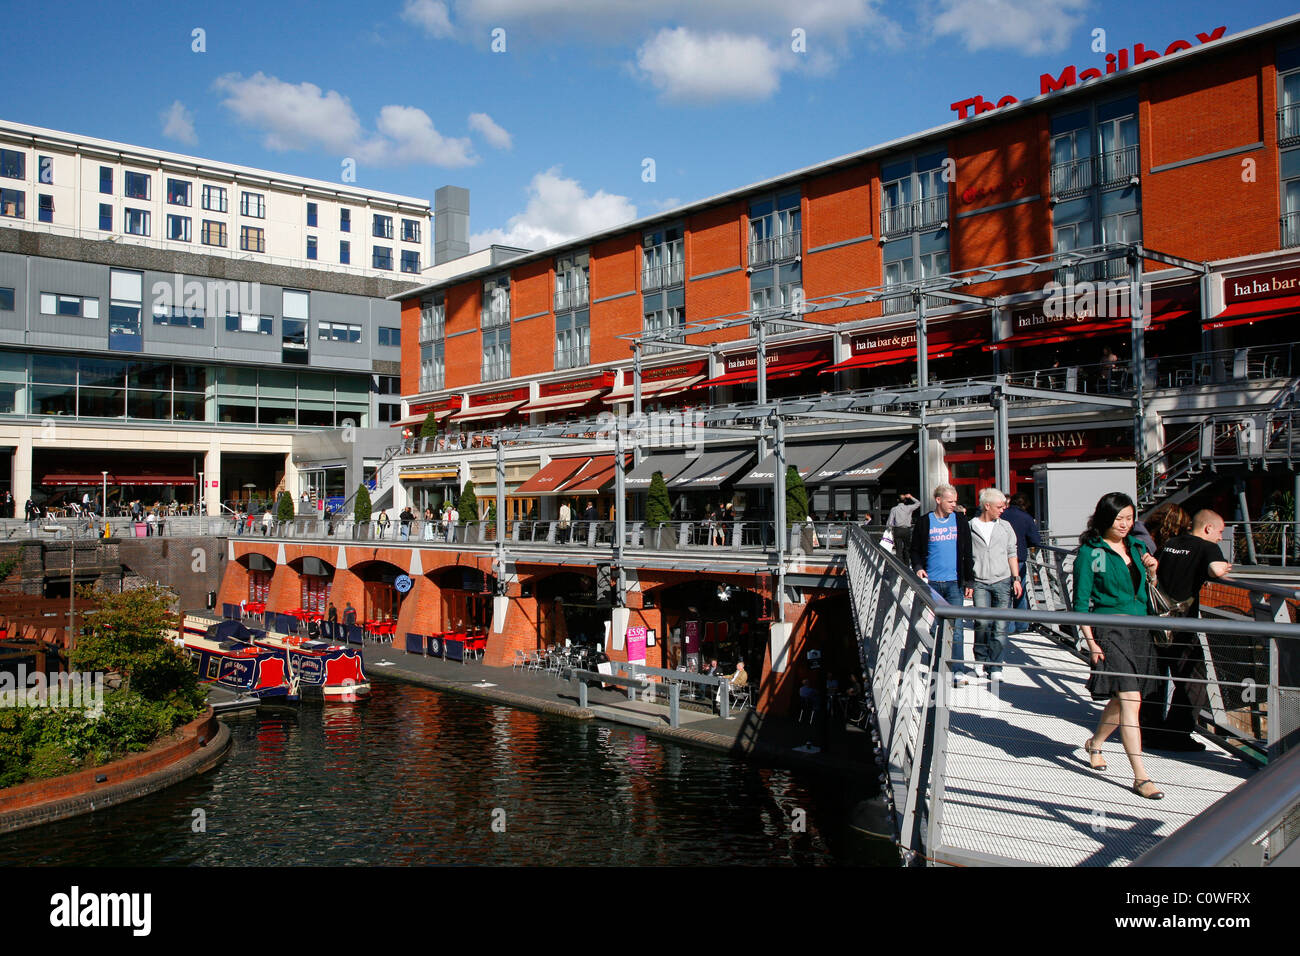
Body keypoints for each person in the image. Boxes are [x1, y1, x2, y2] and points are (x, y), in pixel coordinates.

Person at [1075, 491, 1164, 800]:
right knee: (1131, 701)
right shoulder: (1092, 552)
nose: (1126, 524)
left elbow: (1146, 590)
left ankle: (1095, 743)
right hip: (1109, 630)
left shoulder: (1137, 547)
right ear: (1105, 519)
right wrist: (1091, 642)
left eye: (1130, 518)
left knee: (1125, 699)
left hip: (1141, 628)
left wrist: (1151, 570)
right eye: (1119, 519)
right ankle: (1141, 776)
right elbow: (1080, 603)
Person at [1142, 509, 1232, 751]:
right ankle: (1177, 733)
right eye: (1220, 532)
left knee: (1156, 677)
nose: (1221, 537)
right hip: (1182, 625)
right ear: (1207, 529)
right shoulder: (1206, 547)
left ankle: (1149, 732)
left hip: (1157, 620)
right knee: (1195, 678)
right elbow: (1214, 570)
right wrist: (1224, 567)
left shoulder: (1171, 543)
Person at [909, 483, 975, 686]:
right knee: (935, 628)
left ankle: (957, 670)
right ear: (938, 500)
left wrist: (969, 580)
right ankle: (937, 668)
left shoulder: (961, 521)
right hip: (932, 584)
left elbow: (967, 552)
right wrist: (918, 567)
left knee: (956, 627)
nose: (953, 505)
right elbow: (915, 550)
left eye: (955, 501)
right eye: (950, 501)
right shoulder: (924, 522)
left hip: (954, 582)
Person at [969, 488, 1021, 681]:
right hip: (980, 581)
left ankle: (996, 665)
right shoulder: (970, 527)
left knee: (1000, 626)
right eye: (999, 506)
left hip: (1002, 580)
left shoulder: (1005, 526)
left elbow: (1011, 552)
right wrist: (968, 581)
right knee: (982, 622)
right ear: (987, 506)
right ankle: (981, 659)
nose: (1003, 510)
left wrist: (1016, 579)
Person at [1001, 493, 1042, 634]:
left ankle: (1008, 626)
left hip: (1002, 559)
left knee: (1005, 594)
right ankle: (1021, 625)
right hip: (1019, 559)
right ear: (1024, 505)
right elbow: (1036, 540)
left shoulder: (1001, 515)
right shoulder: (1026, 518)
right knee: (1020, 592)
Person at [887, 492, 922, 557]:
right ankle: (907, 565)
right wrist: (911, 496)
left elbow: (890, 522)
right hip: (906, 530)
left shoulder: (894, 509)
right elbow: (918, 503)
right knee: (907, 549)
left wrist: (890, 530)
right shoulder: (909, 508)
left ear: (897, 500)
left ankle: (898, 565)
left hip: (897, 530)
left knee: (898, 550)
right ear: (905, 500)